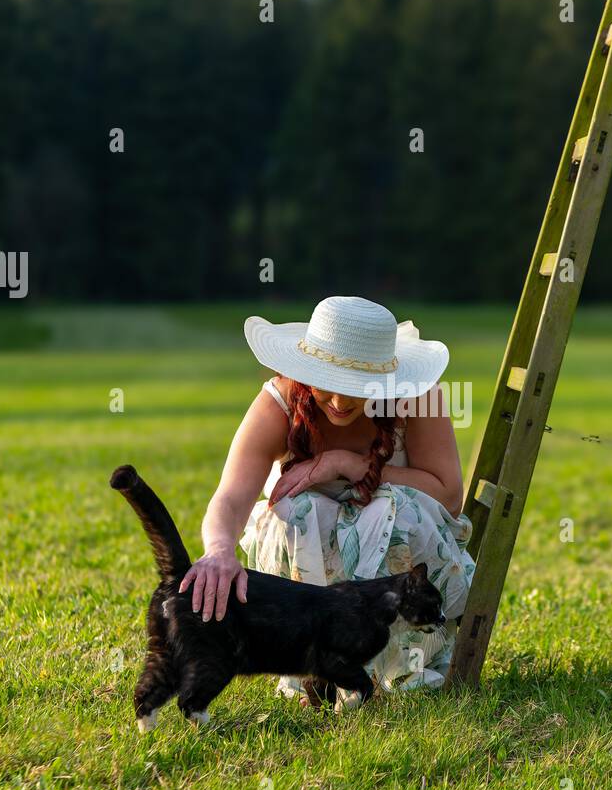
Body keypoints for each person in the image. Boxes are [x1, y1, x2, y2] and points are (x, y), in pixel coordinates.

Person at [178, 296, 476, 704]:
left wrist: (348, 464)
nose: (339, 403)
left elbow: (449, 495)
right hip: (314, 571)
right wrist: (218, 550)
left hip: (404, 558)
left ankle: (392, 668)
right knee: (293, 509)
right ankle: (314, 665)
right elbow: (230, 496)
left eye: (355, 389)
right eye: (327, 384)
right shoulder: (280, 402)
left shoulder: (417, 396)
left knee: (391, 508)